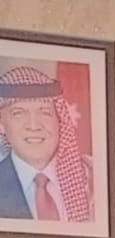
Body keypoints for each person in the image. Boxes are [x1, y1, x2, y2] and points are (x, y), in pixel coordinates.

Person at [0, 65, 92, 221]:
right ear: (1, 125)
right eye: (18, 113)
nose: (34, 125)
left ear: (59, 120)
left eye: (45, 112)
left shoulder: (92, 181)